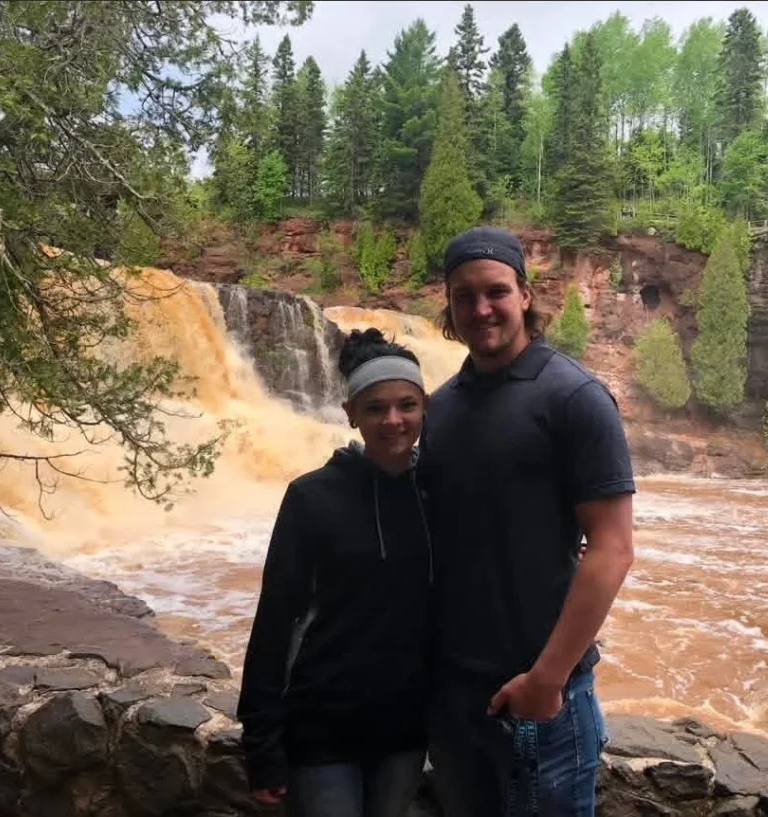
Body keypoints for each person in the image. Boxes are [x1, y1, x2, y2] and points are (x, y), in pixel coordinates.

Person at [420, 226, 636, 816]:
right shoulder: (440, 407)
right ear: (449, 306)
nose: (481, 309)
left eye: (495, 291)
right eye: (464, 296)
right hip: (454, 695)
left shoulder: (574, 398)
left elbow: (612, 549)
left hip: (543, 700)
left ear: (524, 293)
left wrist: (547, 679)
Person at [237, 328, 433, 817]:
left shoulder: (439, 494)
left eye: (406, 405)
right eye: (375, 408)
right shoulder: (311, 497)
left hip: (407, 727)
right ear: (351, 414)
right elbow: (276, 619)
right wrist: (263, 743)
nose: (393, 420)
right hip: (322, 726)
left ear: (425, 408)